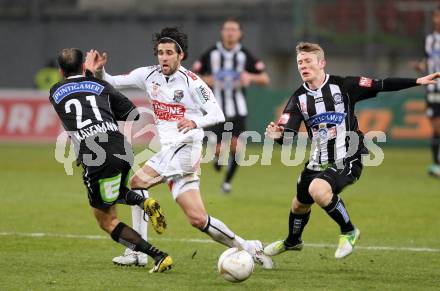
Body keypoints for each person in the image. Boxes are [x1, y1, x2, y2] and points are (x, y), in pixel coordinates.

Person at [87, 27, 273, 269]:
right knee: (198, 219)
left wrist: (195, 121)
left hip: (186, 149)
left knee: (136, 183)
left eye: (168, 53)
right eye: (160, 53)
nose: (163, 57)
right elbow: (112, 82)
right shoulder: (148, 75)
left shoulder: (192, 82)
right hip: (168, 151)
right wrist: (101, 70)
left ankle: (138, 252)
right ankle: (248, 246)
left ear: (180, 55)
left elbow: (217, 113)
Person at [263, 42, 440, 260]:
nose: (303, 66)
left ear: (322, 63)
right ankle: (293, 241)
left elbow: (381, 84)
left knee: (318, 190)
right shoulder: (298, 98)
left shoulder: (344, 85)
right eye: (300, 62)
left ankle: (349, 231)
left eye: (308, 61)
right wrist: (279, 136)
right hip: (318, 160)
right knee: (299, 204)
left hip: (348, 156)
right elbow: (288, 136)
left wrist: (417, 81)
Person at [49, 48, 172, 273]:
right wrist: (96, 83)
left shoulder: (55, 90)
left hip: (95, 155)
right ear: (83, 67)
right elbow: (133, 114)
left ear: (60, 71)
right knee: (114, 192)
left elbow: (78, 98)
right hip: (121, 147)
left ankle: (158, 255)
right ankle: (143, 202)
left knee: (106, 219)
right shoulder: (101, 86)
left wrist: (87, 73)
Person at [192, 18, 270, 193]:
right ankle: (218, 159)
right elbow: (191, 76)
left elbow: (265, 79)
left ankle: (226, 183)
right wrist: (206, 80)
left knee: (236, 146)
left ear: (240, 33)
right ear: (222, 32)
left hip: (238, 110)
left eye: (234, 29)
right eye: (227, 29)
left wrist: (250, 77)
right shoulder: (211, 54)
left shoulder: (245, 55)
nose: (230, 32)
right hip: (216, 109)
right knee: (219, 149)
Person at [413, 5, 440, 177]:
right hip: (433, 88)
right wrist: (421, 66)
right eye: (436, 16)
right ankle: (436, 164)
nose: (437, 19)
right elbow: (427, 60)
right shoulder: (429, 39)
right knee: (436, 128)